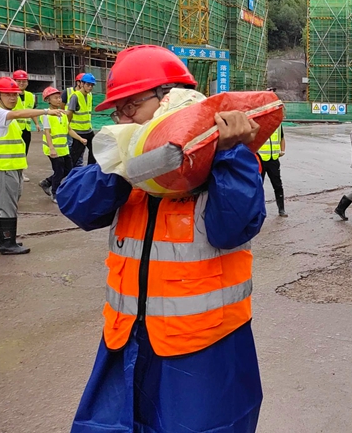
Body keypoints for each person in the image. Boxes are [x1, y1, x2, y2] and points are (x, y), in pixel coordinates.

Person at [57, 45, 265, 432]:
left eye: (131, 106)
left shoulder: (228, 157)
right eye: (117, 110)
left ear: (169, 98)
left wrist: (226, 150)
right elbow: (77, 204)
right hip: (127, 340)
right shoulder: (125, 153)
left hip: (204, 349)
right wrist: (134, 161)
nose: (122, 118)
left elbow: (233, 227)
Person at [0, 77, 65, 255]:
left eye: (15, 95)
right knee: (8, 204)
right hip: (5, 166)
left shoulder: (5, 114)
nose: (12, 98)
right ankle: (7, 243)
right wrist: (46, 112)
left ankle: (0, 238)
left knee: (8, 202)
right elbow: (18, 114)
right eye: (8, 95)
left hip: (13, 166)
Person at [39, 87, 87, 203]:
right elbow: (47, 132)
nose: (59, 100)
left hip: (63, 148)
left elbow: (69, 130)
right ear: (48, 100)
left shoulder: (63, 115)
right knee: (59, 171)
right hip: (53, 149)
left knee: (69, 169)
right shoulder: (46, 116)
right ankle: (55, 193)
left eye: (59, 97)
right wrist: (51, 149)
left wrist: (80, 139)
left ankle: (47, 182)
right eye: (55, 98)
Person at [12, 70, 43, 182]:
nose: (21, 83)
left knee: (24, 152)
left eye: (24, 81)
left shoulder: (30, 96)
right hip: (13, 129)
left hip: (26, 129)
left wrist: (36, 123)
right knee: (14, 151)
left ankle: (21, 173)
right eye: (19, 81)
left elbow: (31, 111)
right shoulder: (11, 95)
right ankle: (13, 172)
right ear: (14, 81)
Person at [67, 73, 97, 166]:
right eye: (88, 85)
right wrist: (67, 128)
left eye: (92, 85)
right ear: (82, 84)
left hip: (88, 130)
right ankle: (59, 177)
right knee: (74, 157)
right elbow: (69, 113)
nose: (90, 87)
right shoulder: (75, 96)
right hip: (78, 131)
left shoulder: (89, 95)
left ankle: (89, 170)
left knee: (94, 150)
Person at [258, 123, 288, 217]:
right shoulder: (259, 122)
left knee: (278, 185)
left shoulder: (278, 124)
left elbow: (282, 138)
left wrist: (282, 150)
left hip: (273, 159)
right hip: (260, 159)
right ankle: (257, 211)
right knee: (258, 186)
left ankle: (281, 209)